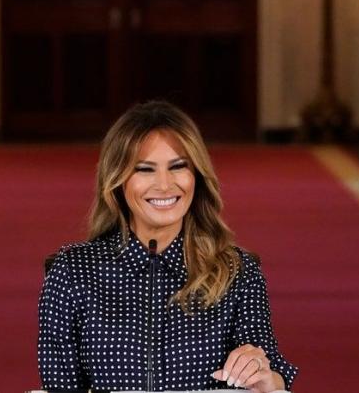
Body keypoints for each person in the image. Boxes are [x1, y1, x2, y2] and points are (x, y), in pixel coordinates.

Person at [38, 101, 298, 392]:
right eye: (145, 170)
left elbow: (271, 372)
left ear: (197, 177)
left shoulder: (237, 272)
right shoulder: (72, 273)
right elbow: (59, 387)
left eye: (178, 167)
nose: (164, 185)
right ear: (117, 181)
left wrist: (266, 379)